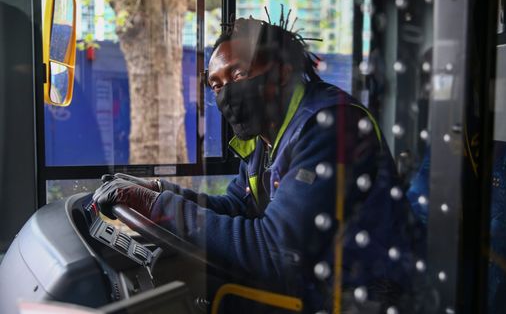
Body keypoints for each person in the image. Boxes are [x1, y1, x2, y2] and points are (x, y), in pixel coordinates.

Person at [93, 17, 422, 312]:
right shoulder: (266, 136)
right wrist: (160, 191)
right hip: (315, 286)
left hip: (365, 297)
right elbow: (237, 206)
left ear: (280, 73)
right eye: (217, 85)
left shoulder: (331, 126)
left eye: (239, 74)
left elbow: (275, 250)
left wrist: (157, 205)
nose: (227, 93)